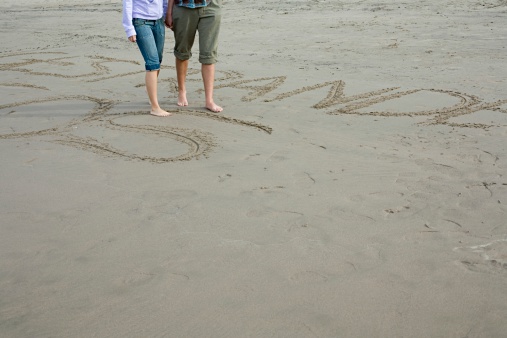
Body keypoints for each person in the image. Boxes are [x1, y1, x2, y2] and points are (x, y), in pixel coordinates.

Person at [165, 0, 223, 113]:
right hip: (183, 7)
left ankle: (209, 100)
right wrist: (169, 12)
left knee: (208, 54)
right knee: (182, 52)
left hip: (210, 7)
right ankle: (182, 91)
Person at [123, 0, 171, 117]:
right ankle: (155, 107)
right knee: (152, 63)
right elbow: (127, 4)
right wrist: (129, 29)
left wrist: (166, 16)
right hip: (140, 22)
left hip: (158, 21)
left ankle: (149, 90)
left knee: (158, 60)